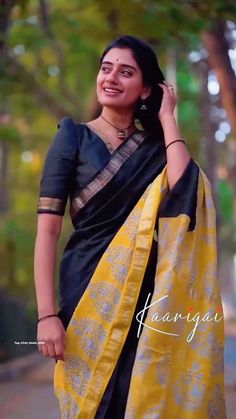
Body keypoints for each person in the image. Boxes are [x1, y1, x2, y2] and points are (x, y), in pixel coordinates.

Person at [34, 35, 226, 418]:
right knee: (92, 397)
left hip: (148, 292)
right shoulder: (73, 137)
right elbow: (48, 232)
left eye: (126, 72)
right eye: (106, 69)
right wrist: (46, 315)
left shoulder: (157, 148)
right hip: (87, 287)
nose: (111, 78)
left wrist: (167, 117)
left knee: (137, 398)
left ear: (145, 89)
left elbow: (186, 190)